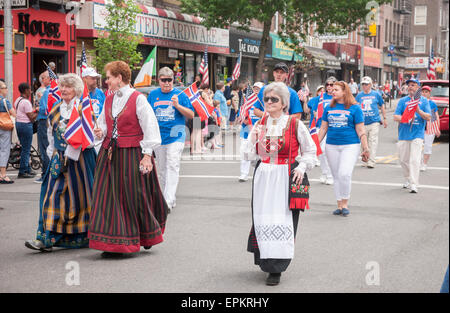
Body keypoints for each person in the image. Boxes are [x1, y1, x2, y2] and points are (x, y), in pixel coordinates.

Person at [88, 61, 168, 256]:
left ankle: (145, 234)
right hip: (109, 153)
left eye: (108, 77)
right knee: (108, 198)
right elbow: (104, 126)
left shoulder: (138, 99)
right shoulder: (108, 99)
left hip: (132, 153)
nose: (106, 81)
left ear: (119, 78)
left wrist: (147, 155)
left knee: (135, 197)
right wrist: (99, 132)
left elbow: (150, 128)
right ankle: (113, 243)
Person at [244, 82, 316, 286]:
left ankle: (277, 267)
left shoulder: (294, 124)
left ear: (284, 103)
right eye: (266, 99)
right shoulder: (260, 124)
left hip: (285, 175)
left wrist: (301, 168)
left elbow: (310, 151)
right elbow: (249, 156)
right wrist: (254, 140)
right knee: (262, 218)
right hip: (263, 176)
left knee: (282, 220)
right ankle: (265, 259)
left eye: (273, 99)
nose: (268, 102)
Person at [24, 73, 97, 252]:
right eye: (62, 86)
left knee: (82, 199)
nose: (64, 89)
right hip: (59, 158)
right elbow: (50, 136)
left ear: (77, 90)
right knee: (51, 196)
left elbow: (92, 134)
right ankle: (46, 238)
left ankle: (84, 236)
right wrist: (53, 156)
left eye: (68, 86)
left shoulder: (83, 108)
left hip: (81, 158)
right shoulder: (55, 109)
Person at [318, 81, 369, 217]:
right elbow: (323, 128)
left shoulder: (355, 108)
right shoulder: (328, 108)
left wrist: (365, 147)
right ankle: (339, 204)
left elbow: (360, 129)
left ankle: (345, 203)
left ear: (345, 91)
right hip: (331, 145)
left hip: (350, 145)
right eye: (332, 89)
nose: (332, 91)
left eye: (336, 90)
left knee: (344, 174)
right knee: (336, 176)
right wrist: (315, 145)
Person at [148, 67, 194, 212]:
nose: (167, 83)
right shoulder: (153, 94)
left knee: (172, 165)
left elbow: (191, 114)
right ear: (159, 80)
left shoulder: (180, 94)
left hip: (176, 135)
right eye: (164, 80)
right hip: (159, 136)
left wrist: (177, 105)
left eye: (169, 80)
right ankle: (167, 198)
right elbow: (148, 115)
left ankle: (168, 200)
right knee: (162, 169)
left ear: (173, 80)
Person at [393, 78, 431, 194]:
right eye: (409, 85)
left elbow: (428, 117)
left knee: (414, 160)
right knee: (403, 160)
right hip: (404, 134)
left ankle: (414, 184)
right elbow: (395, 117)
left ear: (418, 88)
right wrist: (407, 118)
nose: (410, 87)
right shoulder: (402, 101)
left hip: (417, 135)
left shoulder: (424, 101)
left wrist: (418, 111)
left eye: (413, 85)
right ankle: (408, 178)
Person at [308, 77, 336, 185]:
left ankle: (330, 175)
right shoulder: (319, 98)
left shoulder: (338, 97)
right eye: (327, 84)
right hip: (321, 127)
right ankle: (325, 173)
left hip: (333, 128)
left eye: (332, 84)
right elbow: (308, 108)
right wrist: (305, 100)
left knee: (326, 151)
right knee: (321, 152)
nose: (329, 86)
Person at [355, 76, 387, 168]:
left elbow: (382, 105)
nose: (364, 86)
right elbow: (355, 107)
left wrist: (384, 118)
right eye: (363, 84)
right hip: (362, 122)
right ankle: (365, 159)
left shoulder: (376, 94)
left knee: (373, 141)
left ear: (370, 85)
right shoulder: (359, 95)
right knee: (363, 142)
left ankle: (371, 161)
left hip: (374, 121)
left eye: (366, 84)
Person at [238, 82, 263, 182]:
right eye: (255, 88)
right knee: (245, 153)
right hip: (246, 132)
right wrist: (248, 124)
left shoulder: (263, 102)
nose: (256, 90)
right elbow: (242, 116)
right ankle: (244, 174)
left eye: (258, 89)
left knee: (261, 155)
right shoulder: (246, 101)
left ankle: (259, 173)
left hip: (261, 132)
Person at [14, 83, 38, 179]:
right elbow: (31, 118)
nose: (31, 91)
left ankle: (27, 169)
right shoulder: (26, 102)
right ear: (25, 90)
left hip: (19, 124)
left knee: (24, 148)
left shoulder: (18, 100)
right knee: (26, 149)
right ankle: (23, 171)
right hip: (26, 125)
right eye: (29, 89)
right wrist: (38, 111)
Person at [35, 70, 52, 183]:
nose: (42, 80)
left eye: (44, 78)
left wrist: (37, 108)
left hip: (43, 121)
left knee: (44, 148)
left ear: (48, 79)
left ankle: (45, 174)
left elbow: (46, 109)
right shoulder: (54, 90)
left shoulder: (47, 91)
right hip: (49, 121)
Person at [421, 85, 441, 172]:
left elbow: (436, 116)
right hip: (419, 127)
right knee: (417, 145)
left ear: (429, 93)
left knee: (427, 146)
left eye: (426, 92)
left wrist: (437, 128)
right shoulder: (418, 102)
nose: (424, 93)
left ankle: (424, 163)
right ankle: (418, 162)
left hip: (430, 127)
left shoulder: (432, 103)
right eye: (423, 92)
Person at [0, 81, 16, 184]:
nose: (6, 89)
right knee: (4, 150)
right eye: (5, 87)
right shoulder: (5, 101)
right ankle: (3, 174)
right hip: (4, 127)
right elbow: (13, 113)